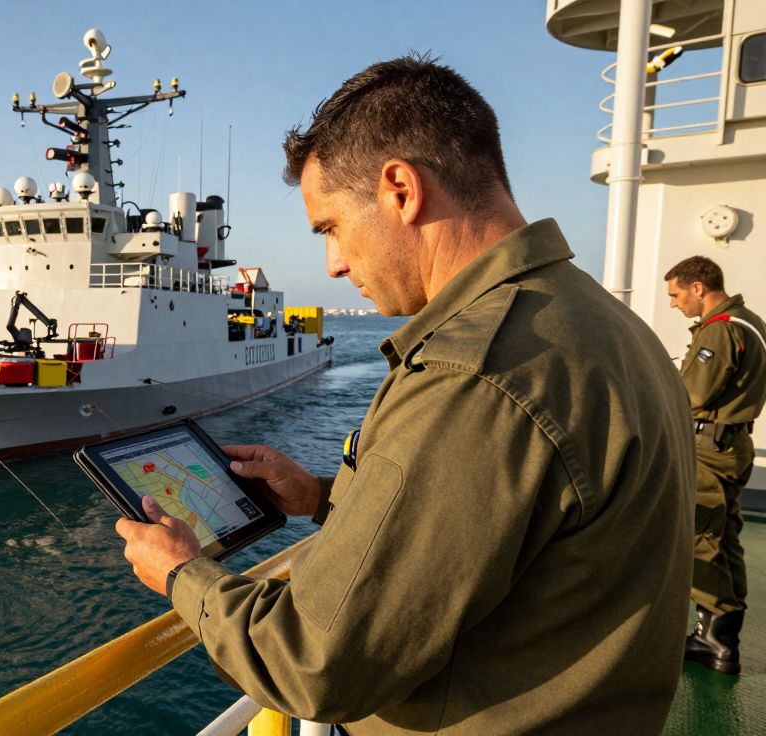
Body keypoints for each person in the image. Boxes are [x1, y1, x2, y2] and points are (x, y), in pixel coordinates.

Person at [115, 55, 695, 734]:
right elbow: (509, 517)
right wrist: (322, 497)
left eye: (329, 226)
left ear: (400, 189)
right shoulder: (603, 322)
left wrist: (184, 576)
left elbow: (314, 664)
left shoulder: (474, 374)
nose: (332, 264)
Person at [665, 255, 766, 675]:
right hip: (732, 446)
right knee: (724, 539)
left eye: (675, 295)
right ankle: (718, 637)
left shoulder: (721, 330)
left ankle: (716, 643)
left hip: (709, 451)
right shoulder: (750, 322)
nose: (673, 304)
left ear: (698, 288)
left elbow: (694, 395)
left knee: (698, 537)